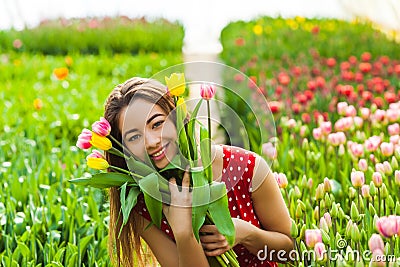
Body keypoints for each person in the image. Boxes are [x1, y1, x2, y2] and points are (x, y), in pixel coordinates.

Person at [104, 77, 293, 267]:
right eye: (134, 136)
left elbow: (291, 250)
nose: (151, 141)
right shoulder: (141, 203)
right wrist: (184, 234)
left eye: (157, 124)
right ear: (123, 148)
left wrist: (246, 234)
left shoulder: (247, 168)